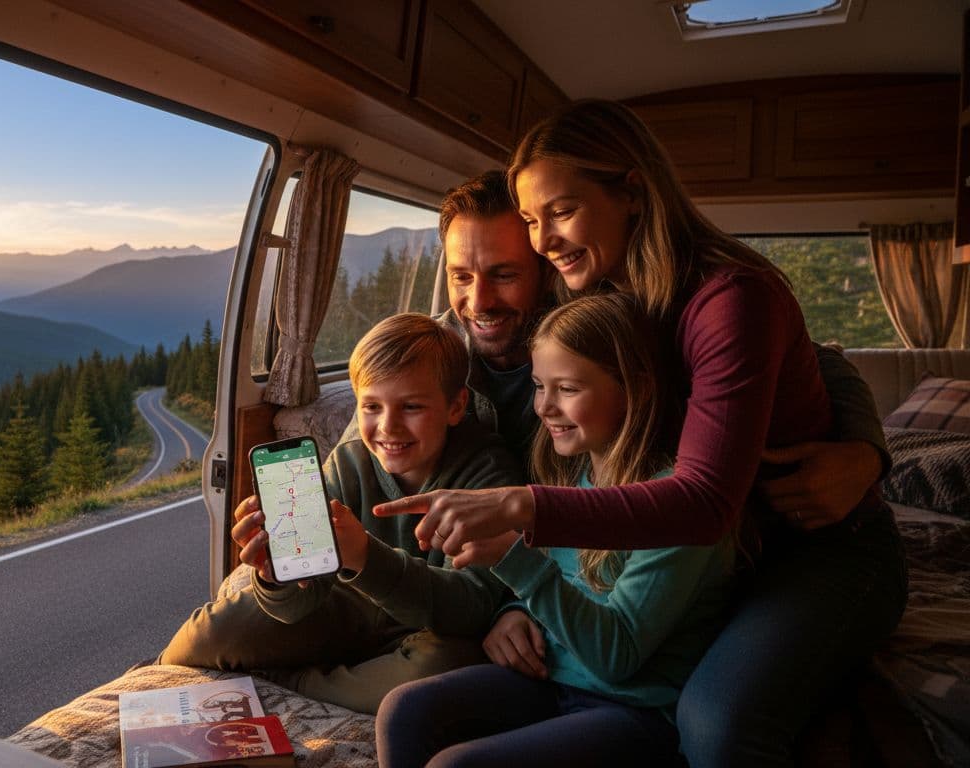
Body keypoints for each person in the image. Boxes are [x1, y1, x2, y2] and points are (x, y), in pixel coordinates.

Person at [377, 100, 907, 766]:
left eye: (560, 213)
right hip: (697, 556)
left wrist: (867, 452)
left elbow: (798, 390)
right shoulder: (556, 307)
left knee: (715, 726)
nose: (542, 242)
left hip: (812, 545)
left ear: (632, 192)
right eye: (533, 221)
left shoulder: (725, 297)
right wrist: (510, 605)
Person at [378, 292, 735, 767]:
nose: (544, 408)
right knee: (403, 709)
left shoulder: (675, 504)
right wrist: (512, 609)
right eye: (539, 386)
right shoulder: (572, 480)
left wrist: (512, 559)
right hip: (555, 681)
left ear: (635, 388)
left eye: (566, 389)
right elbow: (556, 591)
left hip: (634, 712)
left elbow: (616, 655)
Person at [156, 313, 523, 714]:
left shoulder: (488, 475)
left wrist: (366, 556)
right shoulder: (350, 462)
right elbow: (301, 602)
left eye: (412, 406)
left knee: (438, 673)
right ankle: (154, 683)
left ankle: (291, 682)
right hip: (348, 612)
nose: (388, 426)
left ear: (456, 406)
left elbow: (471, 607)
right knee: (209, 633)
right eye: (371, 406)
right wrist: (275, 578)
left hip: (428, 630)